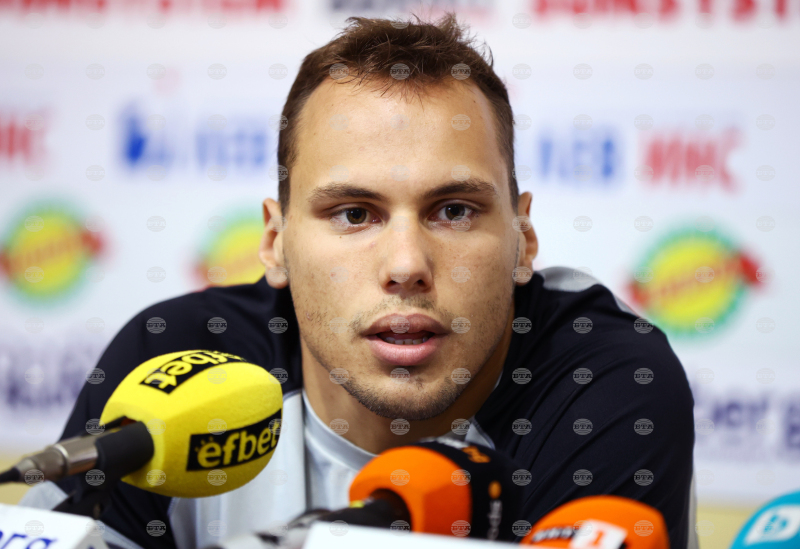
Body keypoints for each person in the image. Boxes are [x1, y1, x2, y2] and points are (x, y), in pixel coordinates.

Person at [20, 12, 696, 549]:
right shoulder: (173, 358)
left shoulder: (604, 378)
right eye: (354, 213)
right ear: (275, 242)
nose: (405, 266)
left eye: (454, 210)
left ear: (523, 240)